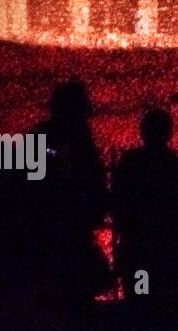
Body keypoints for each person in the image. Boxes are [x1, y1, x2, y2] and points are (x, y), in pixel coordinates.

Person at [24, 79, 112, 307]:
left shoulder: (45, 136)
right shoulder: (79, 139)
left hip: (53, 224)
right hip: (68, 223)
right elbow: (93, 179)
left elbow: (31, 181)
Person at [112, 108, 178, 303]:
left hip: (138, 254)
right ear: (169, 133)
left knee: (140, 302)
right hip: (174, 255)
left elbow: (117, 207)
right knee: (171, 304)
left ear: (142, 132)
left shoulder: (128, 167)